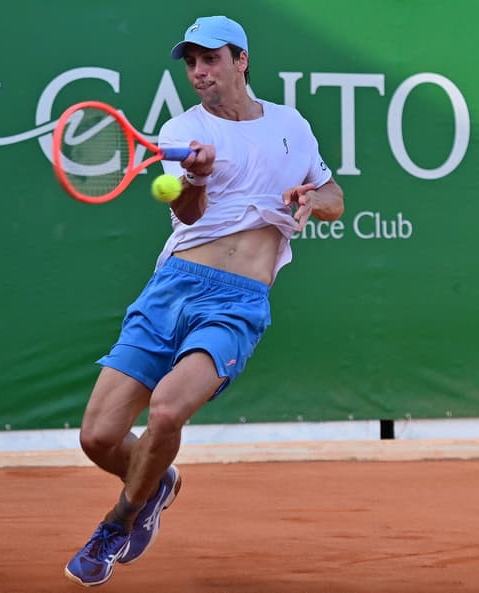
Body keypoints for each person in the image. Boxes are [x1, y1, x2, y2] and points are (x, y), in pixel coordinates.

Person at [64, 15, 344, 587]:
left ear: (241, 60)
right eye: (191, 62)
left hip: (237, 303)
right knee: (98, 437)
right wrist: (194, 179)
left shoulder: (291, 126)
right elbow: (187, 214)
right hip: (172, 288)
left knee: (167, 409)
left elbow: (335, 194)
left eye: (210, 59)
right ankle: (157, 482)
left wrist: (312, 200)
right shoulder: (185, 130)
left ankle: (120, 520)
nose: (198, 72)